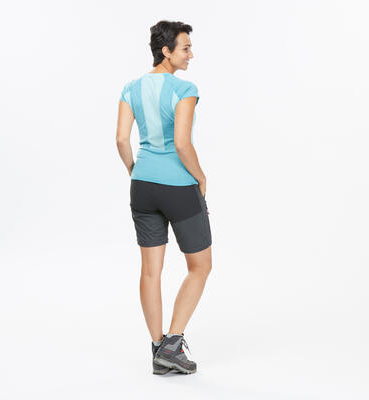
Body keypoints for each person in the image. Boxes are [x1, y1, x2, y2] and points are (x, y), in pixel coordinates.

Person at [116, 20, 212, 375]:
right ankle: (172, 344)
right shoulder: (184, 88)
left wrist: (136, 171)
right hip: (179, 188)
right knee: (200, 266)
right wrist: (201, 177)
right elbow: (182, 144)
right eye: (185, 48)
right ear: (166, 51)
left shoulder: (130, 88)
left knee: (150, 271)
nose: (191, 55)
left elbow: (121, 140)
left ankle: (158, 348)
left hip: (142, 186)